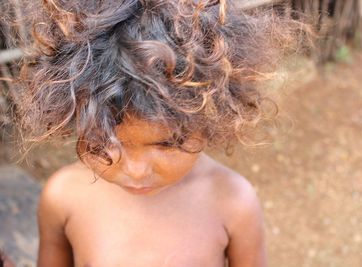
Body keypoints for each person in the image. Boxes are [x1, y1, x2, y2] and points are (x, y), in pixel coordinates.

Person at [12, 0, 308, 266]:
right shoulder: (62, 197)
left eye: (168, 143)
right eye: (104, 141)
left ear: (212, 120)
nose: (137, 170)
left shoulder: (233, 202)